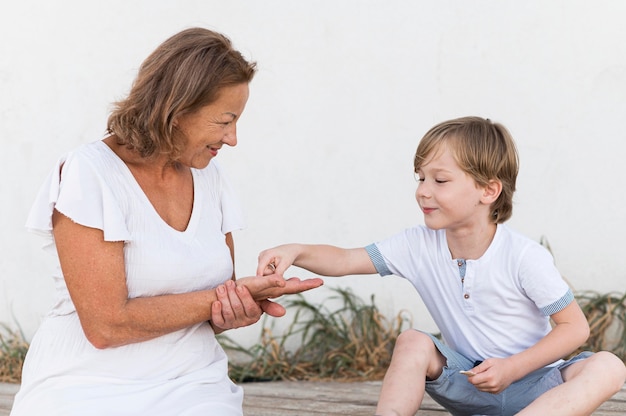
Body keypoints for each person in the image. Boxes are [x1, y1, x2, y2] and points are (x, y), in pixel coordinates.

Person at [12, 27, 323, 416]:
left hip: (193, 385)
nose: (233, 138)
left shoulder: (210, 177)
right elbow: (106, 327)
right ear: (176, 111)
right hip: (85, 385)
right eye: (224, 121)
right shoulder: (90, 174)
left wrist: (237, 306)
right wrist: (218, 298)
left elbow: (202, 309)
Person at [257, 116, 626, 416]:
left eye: (440, 180)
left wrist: (513, 368)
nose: (423, 190)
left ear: (488, 190)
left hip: (535, 387)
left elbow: (575, 328)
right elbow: (345, 259)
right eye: (420, 178)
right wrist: (296, 250)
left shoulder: (523, 256)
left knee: (609, 366)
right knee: (413, 342)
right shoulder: (418, 245)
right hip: (468, 382)